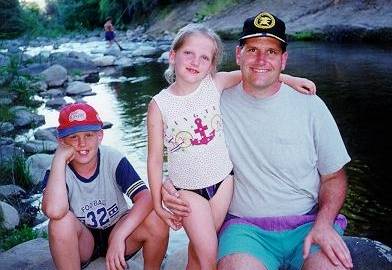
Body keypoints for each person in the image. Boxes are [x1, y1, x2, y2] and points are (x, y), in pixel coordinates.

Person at [162, 12, 353, 270]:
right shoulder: (212, 102)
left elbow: (334, 177)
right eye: (252, 49)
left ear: (284, 60)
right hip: (245, 230)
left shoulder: (311, 106)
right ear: (239, 54)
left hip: (309, 222)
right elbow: (184, 145)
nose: (261, 59)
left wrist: (324, 223)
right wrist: (171, 183)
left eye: (271, 52)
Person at [42, 103, 168, 270]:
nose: (82, 143)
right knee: (60, 223)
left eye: (88, 135)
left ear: (99, 136)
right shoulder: (56, 171)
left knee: (156, 217)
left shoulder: (112, 158)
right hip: (83, 240)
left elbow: (146, 197)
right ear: (61, 141)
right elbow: (54, 211)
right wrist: (59, 158)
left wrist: (119, 237)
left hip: (118, 231)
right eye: (73, 137)